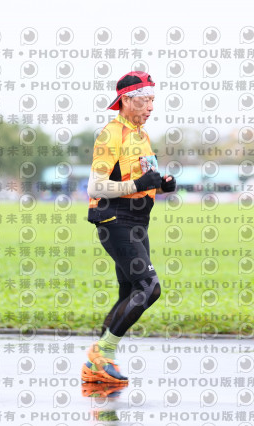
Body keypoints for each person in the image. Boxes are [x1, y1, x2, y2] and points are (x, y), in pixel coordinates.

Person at [81, 71, 176, 384]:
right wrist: (139, 184)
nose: (150, 107)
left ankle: (99, 363)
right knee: (149, 288)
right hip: (114, 218)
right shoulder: (111, 134)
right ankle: (102, 354)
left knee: (129, 292)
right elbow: (95, 187)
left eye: (152, 100)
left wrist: (160, 185)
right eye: (144, 100)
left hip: (137, 220)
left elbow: (140, 179)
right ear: (125, 100)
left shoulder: (141, 135)